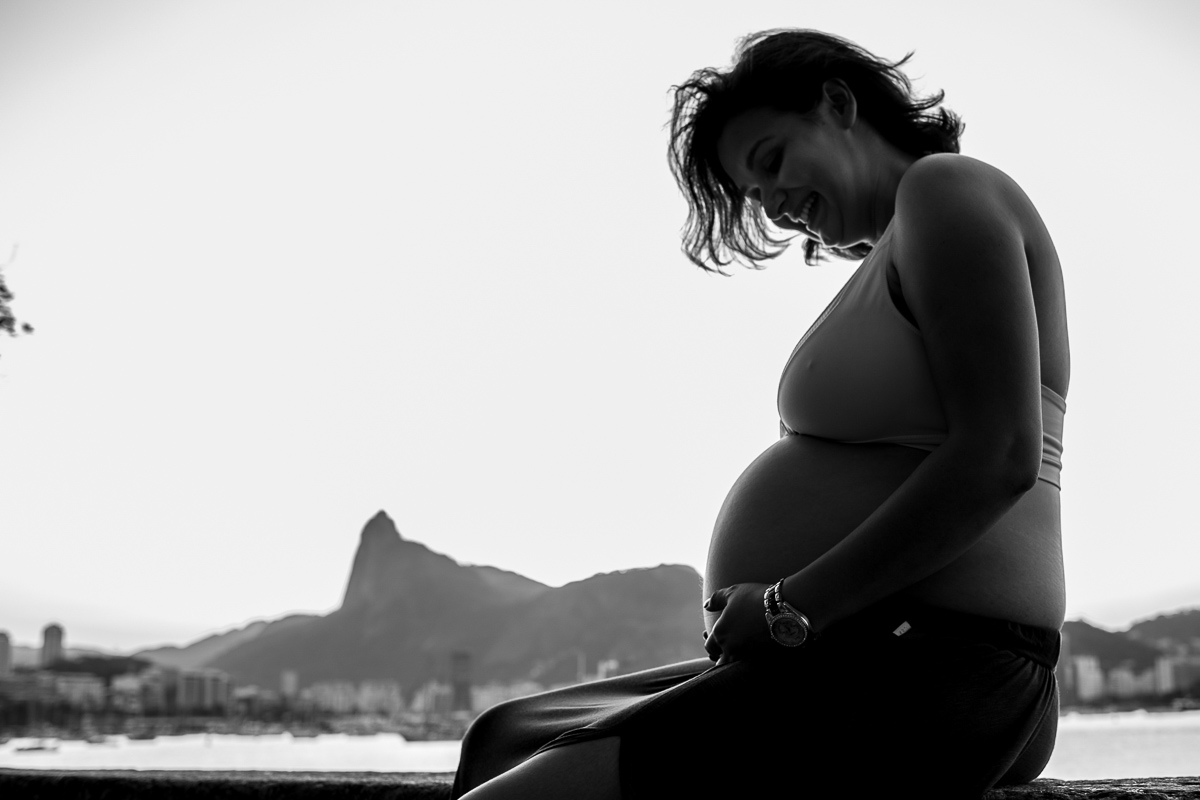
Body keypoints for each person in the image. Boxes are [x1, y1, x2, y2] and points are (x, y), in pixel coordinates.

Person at [451, 28, 1068, 800]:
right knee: (504, 736)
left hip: (946, 665)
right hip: (852, 648)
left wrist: (789, 607)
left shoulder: (947, 189)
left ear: (838, 104)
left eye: (772, 161)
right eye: (754, 193)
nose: (774, 207)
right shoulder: (896, 248)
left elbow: (1000, 455)